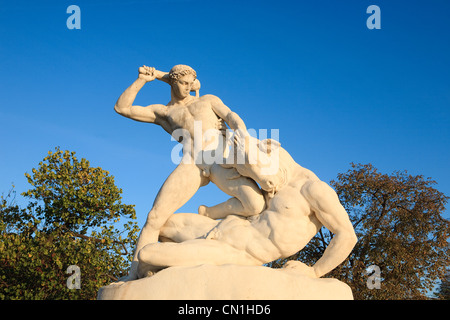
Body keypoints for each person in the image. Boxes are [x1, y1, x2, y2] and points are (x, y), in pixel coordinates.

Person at [114, 65, 266, 279]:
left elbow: (231, 116)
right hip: (191, 164)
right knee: (154, 217)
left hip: (218, 161)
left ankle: (209, 213)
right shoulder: (165, 112)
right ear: (172, 82)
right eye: (182, 83)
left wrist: (241, 132)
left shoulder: (207, 100)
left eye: (189, 83)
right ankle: (133, 274)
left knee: (255, 204)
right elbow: (122, 108)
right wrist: (144, 80)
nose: (186, 88)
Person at [137, 136, 358, 279]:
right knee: (163, 224)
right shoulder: (263, 166)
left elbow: (347, 235)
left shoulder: (314, 190)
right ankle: (156, 272)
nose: (267, 187)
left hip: (239, 252)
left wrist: (314, 271)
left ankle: (170, 267)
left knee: (149, 253)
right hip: (224, 229)